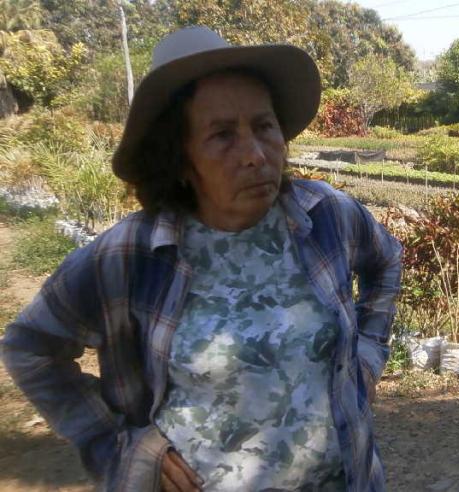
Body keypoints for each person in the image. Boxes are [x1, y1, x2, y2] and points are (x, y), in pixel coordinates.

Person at [0, 26, 402, 492]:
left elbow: (386, 260)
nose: (255, 154)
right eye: (222, 135)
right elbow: (30, 347)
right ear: (180, 159)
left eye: (264, 126)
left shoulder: (325, 216)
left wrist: (369, 356)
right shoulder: (131, 255)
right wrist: (118, 442)